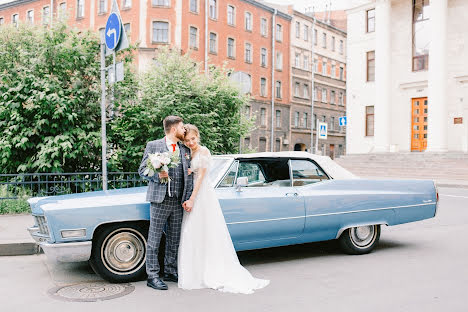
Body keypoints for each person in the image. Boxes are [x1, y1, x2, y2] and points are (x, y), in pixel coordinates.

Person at [178, 124, 269, 294]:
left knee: (207, 232)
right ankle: (195, 269)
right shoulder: (189, 152)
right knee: (194, 231)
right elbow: (193, 172)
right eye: (187, 140)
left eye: (193, 139)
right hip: (194, 194)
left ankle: (208, 270)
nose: (190, 142)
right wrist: (190, 171)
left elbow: (201, 178)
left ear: (198, 136)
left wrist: (191, 198)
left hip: (202, 196)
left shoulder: (204, 151)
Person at [138, 116, 194, 291]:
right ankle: (153, 276)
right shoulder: (153, 145)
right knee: (154, 240)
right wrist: (157, 175)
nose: (184, 130)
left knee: (174, 239)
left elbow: (189, 176)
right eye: (182, 127)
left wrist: (188, 198)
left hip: (178, 201)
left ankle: (170, 271)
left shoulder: (184, 148)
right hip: (160, 200)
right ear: (173, 128)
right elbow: (142, 170)